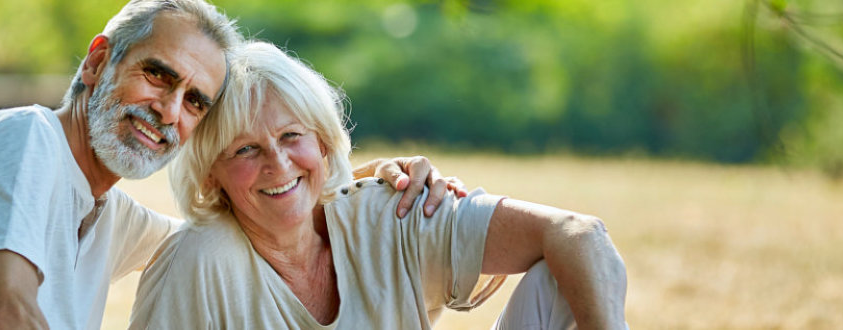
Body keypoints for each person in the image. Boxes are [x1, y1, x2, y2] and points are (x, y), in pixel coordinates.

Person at [0, 1, 466, 329]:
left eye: (195, 101)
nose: (169, 111)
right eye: (158, 74)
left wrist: (349, 181)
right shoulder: (25, 139)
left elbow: (243, 227)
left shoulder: (105, 214)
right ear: (98, 62)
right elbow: (3, 315)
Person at [129, 42, 630, 329]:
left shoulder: (390, 210)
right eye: (244, 150)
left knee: (560, 278)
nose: (277, 165)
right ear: (210, 175)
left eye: (291, 136)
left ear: (323, 143)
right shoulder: (200, 261)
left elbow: (579, 234)